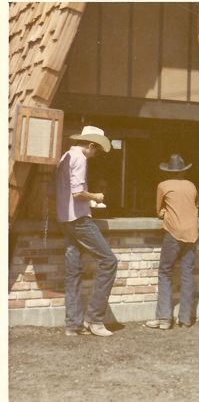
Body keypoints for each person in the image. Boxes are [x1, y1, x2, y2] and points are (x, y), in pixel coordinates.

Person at [54, 126, 118, 337]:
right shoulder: (80, 158)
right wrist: (96, 197)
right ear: (90, 145)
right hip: (80, 219)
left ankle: (73, 325)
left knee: (73, 271)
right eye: (96, 150)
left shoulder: (66, 155)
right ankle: (94, 320)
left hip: (65, 219)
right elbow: (79, 192)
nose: (95, 154)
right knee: (109, 262)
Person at [145, 154, 199, 330]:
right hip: (192, 233)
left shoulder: (163, 185)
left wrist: (164, 213)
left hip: (173, 232)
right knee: (187, 274)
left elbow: (158, 210)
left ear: (168, 171)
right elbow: (196, 206)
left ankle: (164, 318)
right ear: (184, 171)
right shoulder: (192, 185)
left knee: (165, 272)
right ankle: (185, 319)